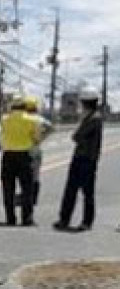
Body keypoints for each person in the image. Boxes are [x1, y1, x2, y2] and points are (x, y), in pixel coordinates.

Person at [54, 88, 104, 232]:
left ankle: (85, 221)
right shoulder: (89, 117)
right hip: (81, 157)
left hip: (87, 159)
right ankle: (65, 219)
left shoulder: (94, 119)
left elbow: (77, 136)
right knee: (71, 190)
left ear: (86, 103)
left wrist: (78, 132)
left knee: (86, 192)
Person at [0, 95, 43, 226]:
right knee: (27, 189)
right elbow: (37, 139)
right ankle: (27, 218)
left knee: (8, 189)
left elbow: (1, 136)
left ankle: (10, 218)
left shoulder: (4, 119)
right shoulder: (33, 120)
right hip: (25, 155)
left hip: (8, 155)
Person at [24, 96, 52, 206]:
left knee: (25, 175)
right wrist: (41, 138)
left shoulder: (25, 118)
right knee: (35, 175)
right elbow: (50, 127)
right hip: (36, 148)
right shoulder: (39, 119)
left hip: (24, 149)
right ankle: (33, 198)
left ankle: (26, 196)